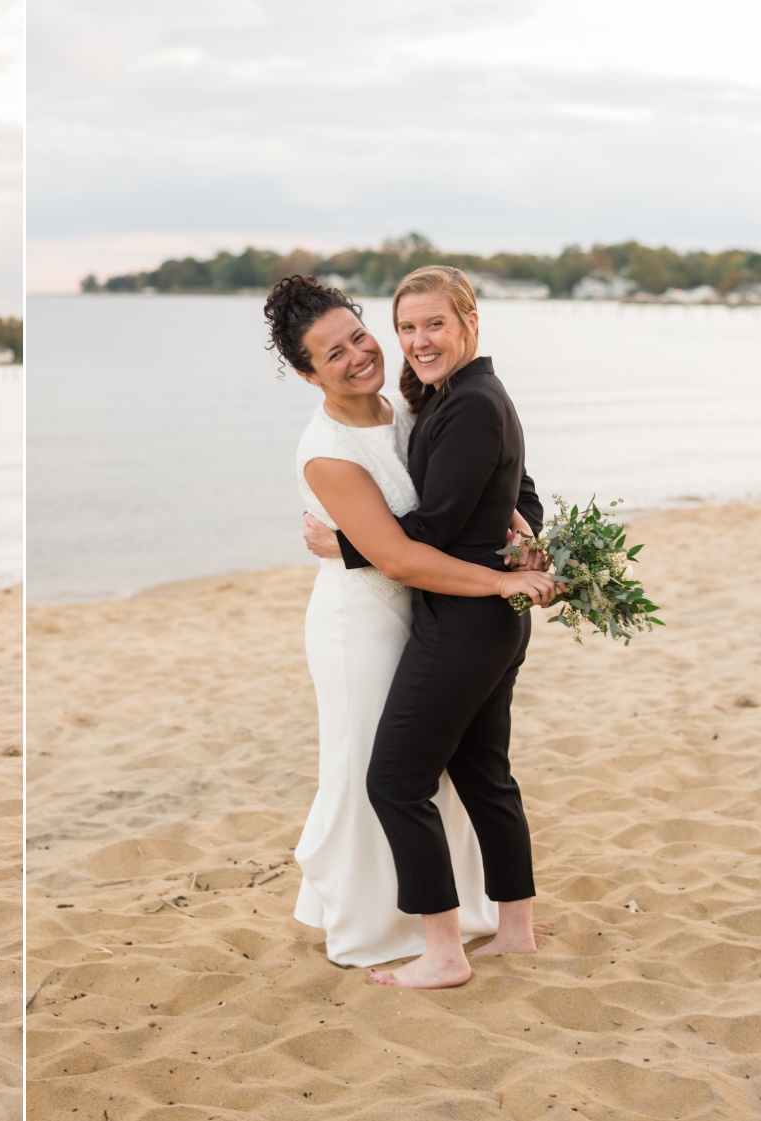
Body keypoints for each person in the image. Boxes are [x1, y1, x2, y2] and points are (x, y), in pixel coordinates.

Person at [265, 274, 556, 975]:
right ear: (309, 374)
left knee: (436, 773)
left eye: (359, 335)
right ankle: (381, 922)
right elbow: (399, 553)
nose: (359, 354)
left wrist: (524, 537)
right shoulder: (327, 449)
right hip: (362, 628)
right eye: (332, 354)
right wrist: (504, 578)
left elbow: (497, 487)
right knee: (376, 771)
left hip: (438, 613)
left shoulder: (408, 407)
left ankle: (465, 935)